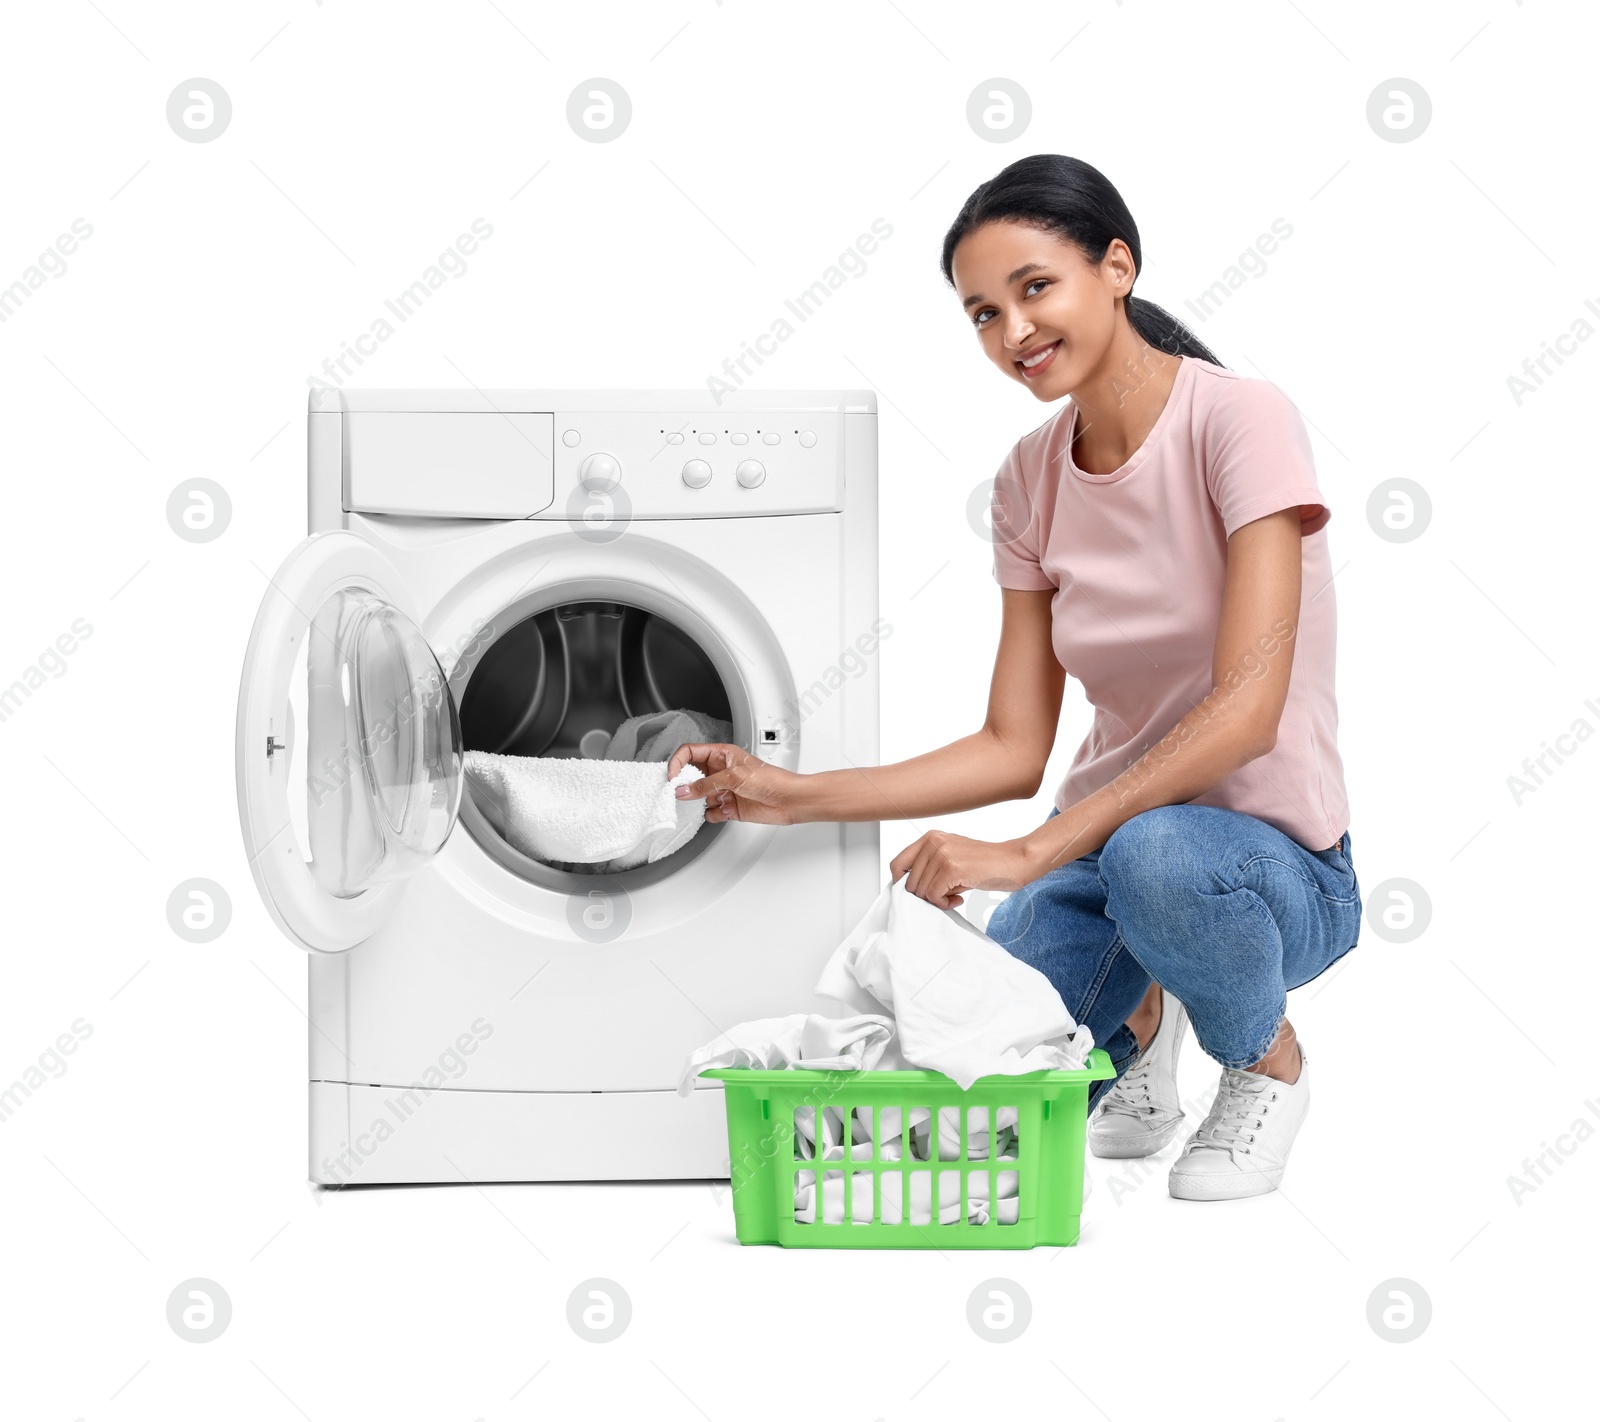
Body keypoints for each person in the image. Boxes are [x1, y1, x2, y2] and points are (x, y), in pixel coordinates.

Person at [666, 153, 1359, 1202]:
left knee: (1156, 858)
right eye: (981, 314)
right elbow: (1012, 746)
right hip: (1099, 857)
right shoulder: (1028, 481)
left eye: (1035, 288)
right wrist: (792, 797)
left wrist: (1031, 849)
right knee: (972, 1112)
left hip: (1272, 871)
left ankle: (1263, 1062)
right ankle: (1140, 1021)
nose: (1012, 333)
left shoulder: (1239, 421)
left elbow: (1247, 709)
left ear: (1115, 266)